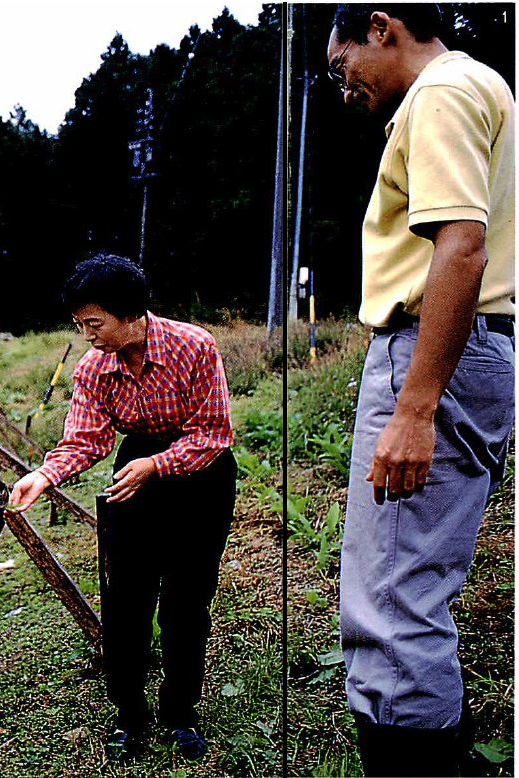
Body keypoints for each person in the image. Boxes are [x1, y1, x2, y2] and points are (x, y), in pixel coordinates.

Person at [324, 5, 515, 776]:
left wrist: (414, 405)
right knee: (412, 591)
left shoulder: (439, 92)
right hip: (475, 349)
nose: (345, 91)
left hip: (432, 351)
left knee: (391, 609)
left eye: (344, 70)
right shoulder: (485, 86)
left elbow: (461, 250)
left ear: (382, 26)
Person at [10, 253, 235, 761]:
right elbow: (84, 440)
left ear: (130, 314)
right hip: (135, 475)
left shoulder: (194, 345)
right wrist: (43, 477)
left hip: (202, 475)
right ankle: (129, 715)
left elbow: (214, 433)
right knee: (126, 599)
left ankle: (180, 714)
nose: (87, 334)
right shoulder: (94, 368)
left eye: (94, 323)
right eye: (79, 324)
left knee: (185, 601)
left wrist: (158, 466)